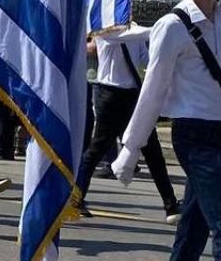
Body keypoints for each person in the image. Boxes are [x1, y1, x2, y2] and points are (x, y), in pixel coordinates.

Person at [112, 0, 221, 260]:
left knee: (195, 226)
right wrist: (130, 149)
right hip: (193, 135)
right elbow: (153, 90)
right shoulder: (171, 26)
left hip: (220, 135)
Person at [75, 25, 180, 224]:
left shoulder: (133, 33)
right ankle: (76, 197)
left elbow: (144, 57)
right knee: (98, 147)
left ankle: (170, 204)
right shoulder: (105, 30)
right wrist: (169, 26)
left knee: (152, 151)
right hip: (109, 93)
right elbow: (137, 33)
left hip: (132, 95)